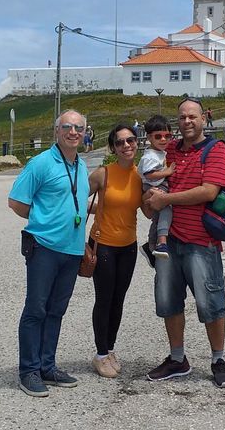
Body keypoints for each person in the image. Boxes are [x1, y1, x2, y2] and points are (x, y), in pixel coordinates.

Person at [145, 96, 225, 388]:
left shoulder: (216, 150)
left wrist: (165, 200)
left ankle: (218, 360)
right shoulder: (170, 149)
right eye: (182, 117)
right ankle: (177, 358)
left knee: (211, 302)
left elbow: (209, 191)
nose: (187, 122)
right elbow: (154, 181)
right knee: (169, 302)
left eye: (192, 116)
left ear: (203, 119)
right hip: (168, 241)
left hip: (201, 240)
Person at [8, 109, 89, 397]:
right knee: (36, 310)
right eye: (67, 126)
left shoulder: (81, 165)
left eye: (78, 127)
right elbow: (16, 202)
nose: (73, 132)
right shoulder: (40, 163)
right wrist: (43, 218)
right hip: (44, 248)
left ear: (84, 132)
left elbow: (76, 201)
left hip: (72, 249)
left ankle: (47, 366)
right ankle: (28, 371)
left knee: (56, 311)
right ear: (57, 131)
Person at [87, 124, 152, 378]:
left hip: (128, 247)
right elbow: (76, 196)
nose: (127, 146)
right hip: (103, 245)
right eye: (120, 142)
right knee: (104, 299)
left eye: (131, 141)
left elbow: (146, 211)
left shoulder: (141, 175)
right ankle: (100, 355)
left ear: (137, 143)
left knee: (118, 300)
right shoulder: (103, 174)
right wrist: (94, 213)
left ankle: (110, 349)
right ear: (113, 147)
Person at [137, 115, 176, 261]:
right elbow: (149, 174)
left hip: (158, 184)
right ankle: (162, 242)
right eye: (158, 136)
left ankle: (151, 245)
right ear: (149, 137)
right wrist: (167, 172)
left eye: (168, 136)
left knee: (158, 218)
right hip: (154, 185)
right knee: (166, 210)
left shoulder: (160, 152)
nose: (163, 139)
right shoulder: (150, 156)